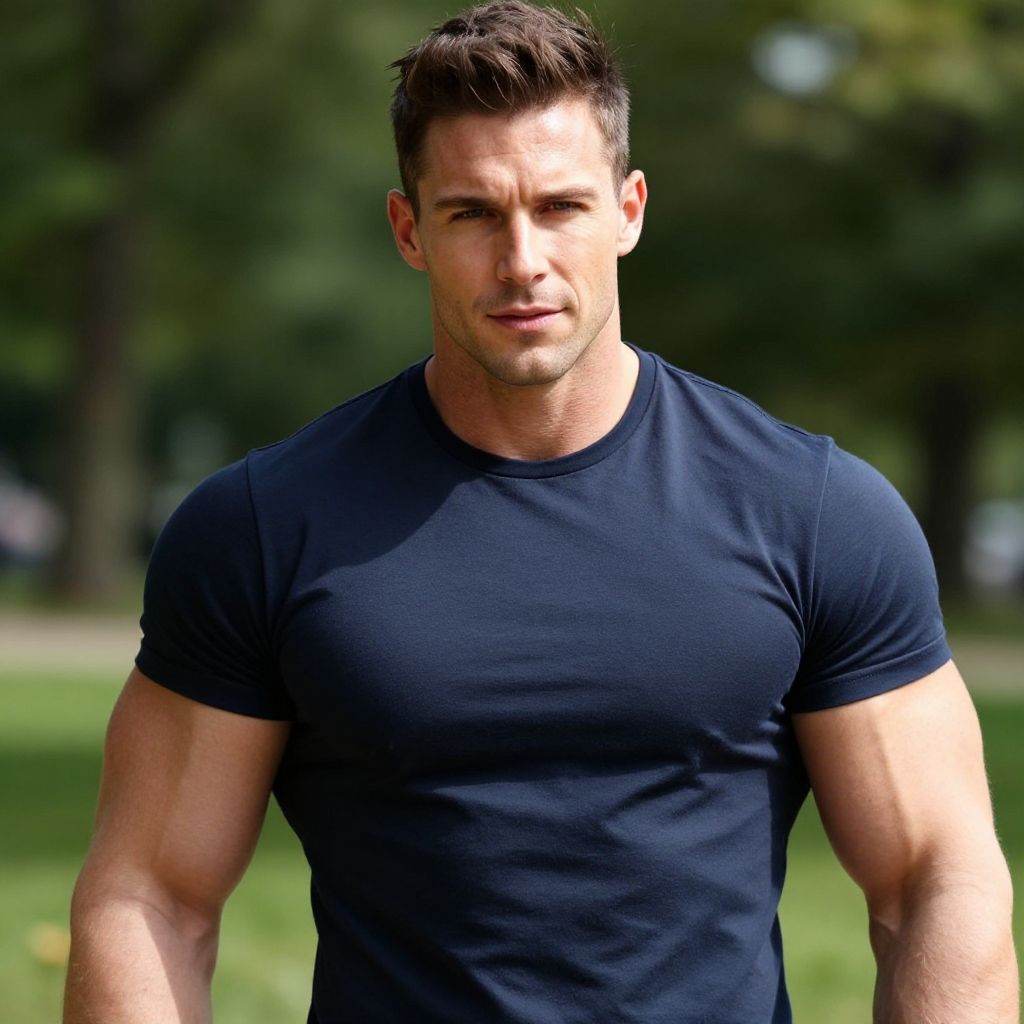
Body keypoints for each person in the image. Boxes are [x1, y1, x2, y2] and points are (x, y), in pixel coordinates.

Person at [64, 2, 1018, 1022]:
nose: (523, 260)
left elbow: (934, 879)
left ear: (628, 210)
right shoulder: (262, 525)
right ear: (408, 230)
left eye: (560, 206)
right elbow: (152, 897)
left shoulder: (814, 511)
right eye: (473, 212)